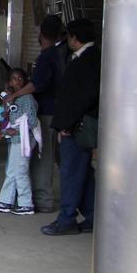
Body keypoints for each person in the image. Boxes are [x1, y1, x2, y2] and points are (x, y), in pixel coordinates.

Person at [42, 18, 100, 236]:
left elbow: (81, 98)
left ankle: (66, 219)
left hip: (77, 127)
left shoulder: (87, 60)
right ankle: (94, 216)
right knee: (83, 172)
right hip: (79, 124)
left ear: (75, 38)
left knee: (71, 172)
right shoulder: (90, 57)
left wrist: (65, 125)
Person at [3, 15, 65, 213]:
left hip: (46, 112)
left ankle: (42, 199)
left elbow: (37, 84)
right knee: (41, 155)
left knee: (42, 156)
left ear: (41, 34)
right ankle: (37, 197)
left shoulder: (48, 56)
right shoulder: (59, 54)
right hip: (52, 110)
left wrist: (14, 96)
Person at [0, 68, 40, 215]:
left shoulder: (27, 98)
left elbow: (31, 120)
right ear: (9, 82)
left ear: (25, 81)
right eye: (14, 79)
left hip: (23, 140)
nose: (17, 82)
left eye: (20, 79)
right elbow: (10, 119)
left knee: (20, 171)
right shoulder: (14, 98)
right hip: (15, 139)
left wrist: (14, 131)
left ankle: (26, 203)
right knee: (11, 170)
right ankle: (5, 201)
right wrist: (4, 131)